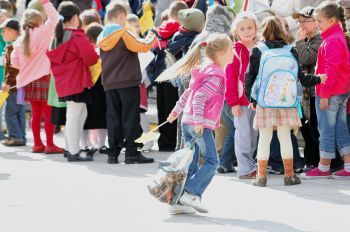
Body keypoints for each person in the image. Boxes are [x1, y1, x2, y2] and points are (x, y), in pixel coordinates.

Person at [245, 16, 326, 187]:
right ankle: (289, 176)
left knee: (264, 138)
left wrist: (252, 98)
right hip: (286, 101)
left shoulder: (258, 50)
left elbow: (249, 77)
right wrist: (318, 79)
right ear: (283, 31)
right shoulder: (291, 50)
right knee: (285, 137)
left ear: (263, 31)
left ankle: (261, 177)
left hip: (265, 102)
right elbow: (302, 78)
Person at [167, 33, 233, 214]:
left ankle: (179, 203)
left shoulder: (204, 70)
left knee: (192, 163)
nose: (233, 53)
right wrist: (199, 121)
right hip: (198, 124)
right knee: (212, 161)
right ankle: (190, 192)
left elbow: (188, 93)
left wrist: (175, 112)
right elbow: (199, 98)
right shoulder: (217, 75)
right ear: (220, 53)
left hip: (187, 122)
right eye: (231, 50)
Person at [97, 2, 155, 164]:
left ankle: (112, 154)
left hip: (109, 82)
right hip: (128, 81)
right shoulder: (123, 33)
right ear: (122, 16)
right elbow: (142, 46)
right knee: (130, 117)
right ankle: (131, 152)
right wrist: (152, 36)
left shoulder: (102, 36)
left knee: (113, 117)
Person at [301, 1, 350, 179]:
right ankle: (348, 166)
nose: (318, 25)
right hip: (339, 91)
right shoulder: (336, 37)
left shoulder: (332, 40)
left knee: (326, 129)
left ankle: (323, 167)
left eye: (319, 21)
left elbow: (331, 70)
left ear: (331, 20)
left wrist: (325, 94)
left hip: (331, 92)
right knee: (340, 128)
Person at [47, 1, 99, 161]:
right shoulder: (76, 35)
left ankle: (71, 148)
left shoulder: (57, 36)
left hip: (65, 81)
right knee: (75, 115)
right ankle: (73, 151)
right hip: (78, 80)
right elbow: (91, 58)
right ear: (75, 17)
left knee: (77, 114)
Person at [11, 0, 63, 154]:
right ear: (40, 21)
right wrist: (45, 2)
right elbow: (55, 18)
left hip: (29, 81)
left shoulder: (19, 41)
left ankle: (37, 145)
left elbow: (15, 62)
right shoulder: (43, 32)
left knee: (35, 113)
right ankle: (50, 145)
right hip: (44, 78)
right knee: (48, 114)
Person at [221, 11, 259, 177]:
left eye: (250, 27)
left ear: (256, 29)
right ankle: (244, 168)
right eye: (242, 28)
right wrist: (233, 102)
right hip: (240, 101)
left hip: (256, 100)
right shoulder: (235, 50)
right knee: (242, 134)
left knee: (253, 133)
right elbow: (230, 77)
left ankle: (250, 163)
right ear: (236, 31)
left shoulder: (260, 48)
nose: (247, 31)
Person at [294, 6, 323, 171]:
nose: (301, 24)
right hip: (304, 93)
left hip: (314, 92)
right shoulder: (305, 40)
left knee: (313, 128)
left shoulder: (318, 40)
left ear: (316, 22)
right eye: (299, 21)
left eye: (305, 20)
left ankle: (318, 162)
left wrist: (299, 41)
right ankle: (311, 161)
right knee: (306, 127)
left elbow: (306, 58)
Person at [127, 13, 154, 152]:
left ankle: (148, 140)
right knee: (133, 114)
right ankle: (135, 141)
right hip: (131, 82)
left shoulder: (140, 42)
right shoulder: (127, 41)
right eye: (134, 26)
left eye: (138, 26)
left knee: (141, 113)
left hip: (139, 83)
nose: (137, 29)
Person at [81, 22, 108, 154]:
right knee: (102, 117)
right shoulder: (104, 51)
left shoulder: (85, 50)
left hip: (86, 88)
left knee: (85, 119)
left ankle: (85, 144)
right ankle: (102, 145)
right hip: (101, 89)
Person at [1, 18, 26, 146]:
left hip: (14, 86)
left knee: (10, 113)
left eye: (4, 31)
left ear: (13, 32)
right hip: (21, 85)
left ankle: (15, 137)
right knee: (20, 111)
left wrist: (7, 83)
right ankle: (21, 136)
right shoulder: (21, 45)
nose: (2, 33)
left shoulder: (13, 47)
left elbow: (13, 68)